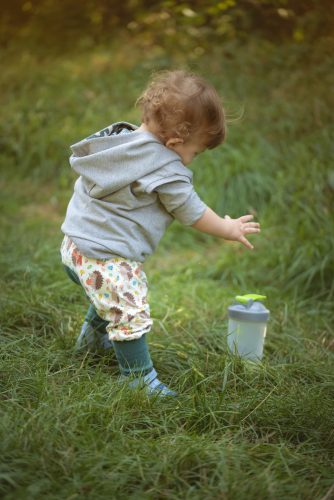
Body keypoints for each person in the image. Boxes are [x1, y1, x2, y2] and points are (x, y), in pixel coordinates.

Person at [60, 70, 260, 397]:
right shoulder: (165, 166)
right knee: (129, 303)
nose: (191, 160)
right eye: (195, 152)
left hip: (74, 249)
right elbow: (191, 210)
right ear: (175, 142)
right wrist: (228, 228)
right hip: (104, 260)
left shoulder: (118, 140)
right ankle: (138, 378)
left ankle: (92, 341)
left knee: (109, 296)